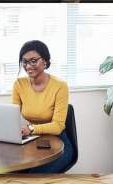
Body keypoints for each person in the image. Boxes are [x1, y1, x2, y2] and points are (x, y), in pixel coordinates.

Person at [12, 40, 73, 173]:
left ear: (45, 61)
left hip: (59, 143)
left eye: (33, 61)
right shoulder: (19, 85)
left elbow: (58, 126)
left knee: (33, 176)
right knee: (15, 170)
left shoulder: (60, 86)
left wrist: (31, 128)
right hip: (32, 140)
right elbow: (11, 117)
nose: (28, 66)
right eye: (25, 62)